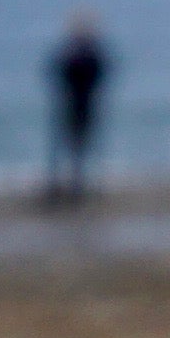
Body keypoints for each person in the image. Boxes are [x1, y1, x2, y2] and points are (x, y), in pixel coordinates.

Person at [44, 11, 111, 209]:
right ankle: (60, 187)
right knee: (64, 147)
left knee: (81, 147)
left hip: (84, 103)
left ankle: (78, 187)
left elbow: (100, 73)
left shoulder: (90, 52)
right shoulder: (71, 52)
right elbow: (56, 71)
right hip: (70, 103)